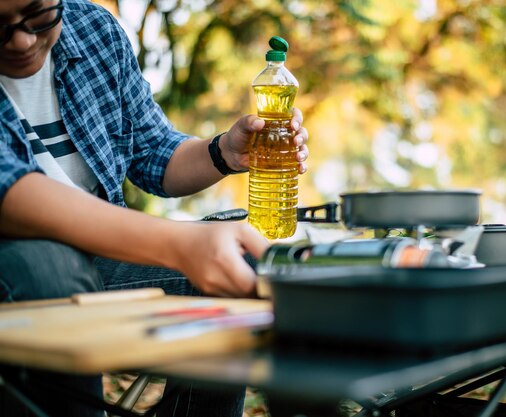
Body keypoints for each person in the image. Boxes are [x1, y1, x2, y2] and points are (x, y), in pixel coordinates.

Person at [0, 0, 309, 416]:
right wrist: (181, 244)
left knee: (240, 255)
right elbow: (10, 196)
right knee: (49, 266)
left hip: (101, 261)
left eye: (38, 16)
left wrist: (225, 151)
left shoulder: (94, 30)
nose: (21, 39)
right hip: (22, 266)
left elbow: (153, 152)